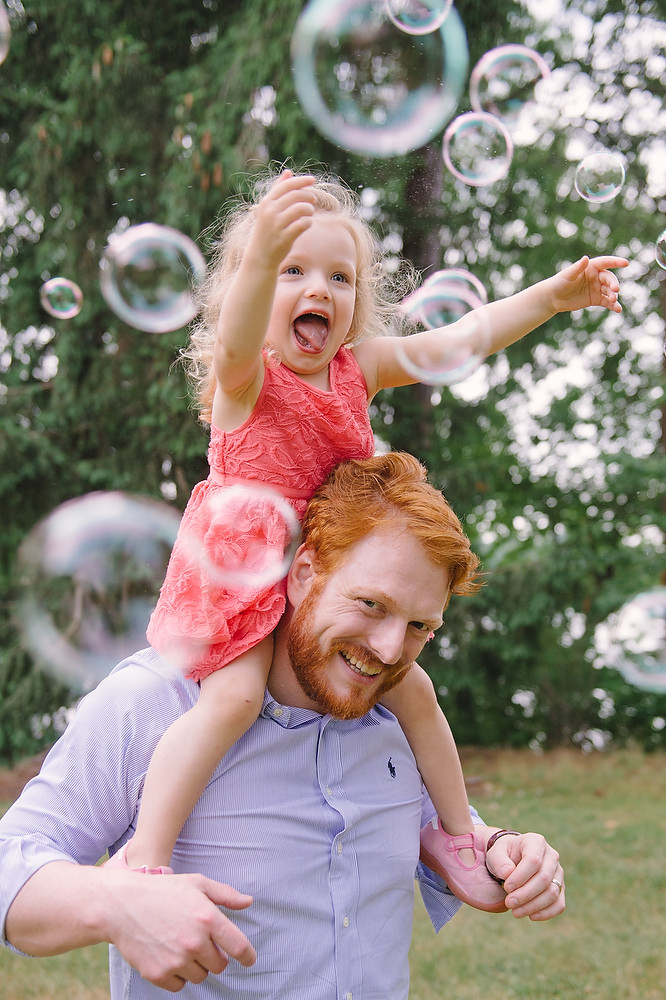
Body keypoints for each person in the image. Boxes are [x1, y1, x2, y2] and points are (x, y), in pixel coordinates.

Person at [129, 168, 625, 909]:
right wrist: (260, 256)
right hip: (246, 575)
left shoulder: (357, 369)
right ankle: (145, 858)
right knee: (232, 701)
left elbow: (462, 339)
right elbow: (235, 335)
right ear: (250, 290)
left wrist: (551, 297)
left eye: (340, 275)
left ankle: (459, 837)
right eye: (291, 270)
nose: (317, 289)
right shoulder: (246, 380)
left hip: (326, 582)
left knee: (415, 688)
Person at [0, 452, 566, 998]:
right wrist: (112, 902)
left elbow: (446, 830)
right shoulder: (155, 702)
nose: (392, 649)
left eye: (420, 625)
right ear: (301, 574)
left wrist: (506, 849)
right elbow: (12, 866)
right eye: (371, 604)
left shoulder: (400, 719)